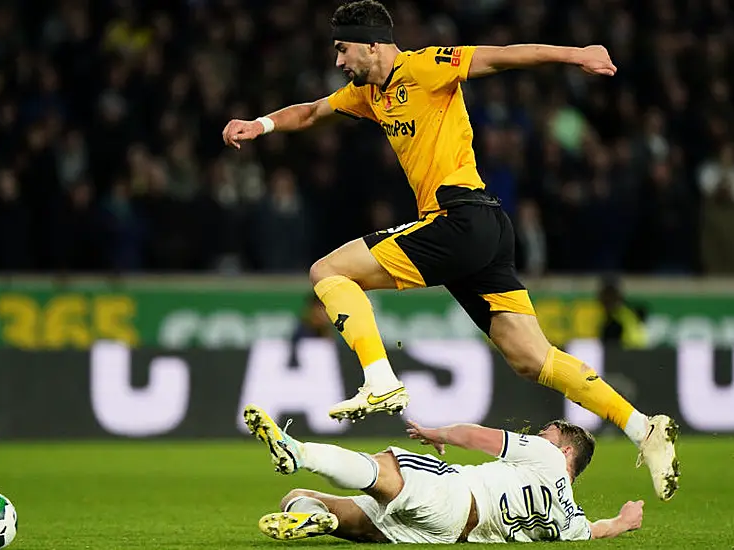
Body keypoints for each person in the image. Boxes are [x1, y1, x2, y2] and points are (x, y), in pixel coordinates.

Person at [222, 0, 678, 500]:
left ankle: (378, 377)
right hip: (482, 230)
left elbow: (503, 56)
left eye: (343, 49)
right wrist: (259, 125)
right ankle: (642, 428)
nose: (338, 62)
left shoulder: (425, 65)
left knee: (328, 270)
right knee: (531, 358)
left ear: (372, 44)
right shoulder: (369, 92)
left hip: (459, 218)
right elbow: (311, 112)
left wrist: (577, 55)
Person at [243, 404, 645, 543]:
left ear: (566, 450)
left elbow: (475, 436)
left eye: (546, 433)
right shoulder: (567, 515)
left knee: (386, 467)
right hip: (449, 533)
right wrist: (625, 522)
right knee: (296, 499)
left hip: (456, 494)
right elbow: (597, 530)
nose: (538, 435)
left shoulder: (547, 456)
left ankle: (297, 451)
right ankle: (322, 519)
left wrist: (437, 433)